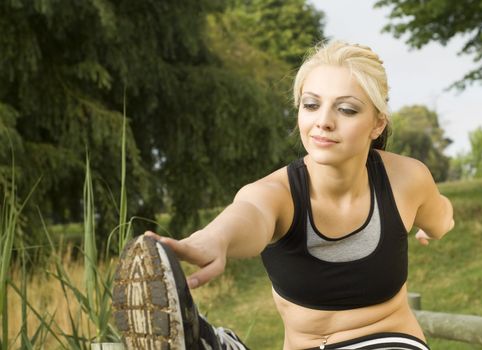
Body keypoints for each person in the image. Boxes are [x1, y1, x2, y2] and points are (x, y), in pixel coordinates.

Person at [111, 40, 454, 350]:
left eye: (346, 109)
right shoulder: (276, 193)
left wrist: (426, 223)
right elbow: (249, 214)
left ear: (377, 123)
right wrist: (212, 240)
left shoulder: (406, 179)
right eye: (311, 105)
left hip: (389, 341)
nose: (323, 121)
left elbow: (442, 219)